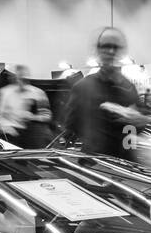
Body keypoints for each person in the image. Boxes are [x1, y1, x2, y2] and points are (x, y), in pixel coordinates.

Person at [61, 27, 146, 159]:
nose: (111, 51)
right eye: (106, 46)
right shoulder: (83, 87)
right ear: (98, 50)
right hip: (95, 165)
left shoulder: (129, 87)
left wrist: (140, 121)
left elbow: (140, 125)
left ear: (120, 51)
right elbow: (71, 127)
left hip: (127, 165)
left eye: (115, 47)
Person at [11, 66, 54, 150]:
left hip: (36, 138)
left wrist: (31, 116)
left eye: (21, 78)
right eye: (16, 78)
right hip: (18, 139)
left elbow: (47, 116)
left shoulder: (37, 93)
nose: (18, 81)